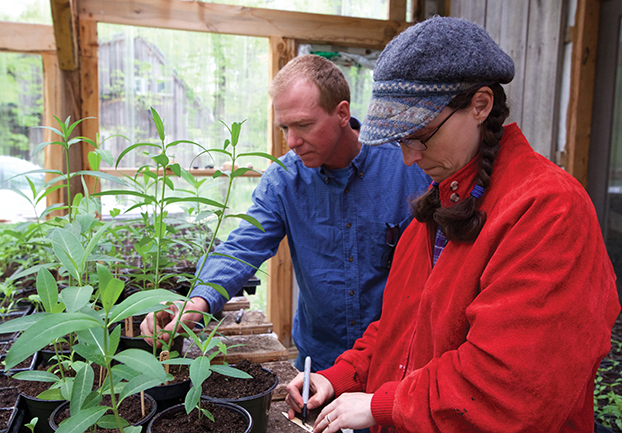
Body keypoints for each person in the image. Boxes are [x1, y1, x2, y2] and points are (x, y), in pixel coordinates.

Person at [284, 16, 621, 433]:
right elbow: (398, 331)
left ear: (480, 105)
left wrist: (383, 403)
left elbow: (509, 386)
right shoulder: (436, 210)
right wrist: (338, 377)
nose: (409, 158)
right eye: (399, 140)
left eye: (420, 134)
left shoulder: (548, 211)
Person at [140, 54, 431, 372]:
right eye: (284, 127)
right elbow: (243, 246)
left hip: (396, 358)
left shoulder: (407, 168)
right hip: (320, 358)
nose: (292, 141)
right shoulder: (283, 179)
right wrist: (198, 301)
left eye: (304, 125)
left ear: (342, 113)